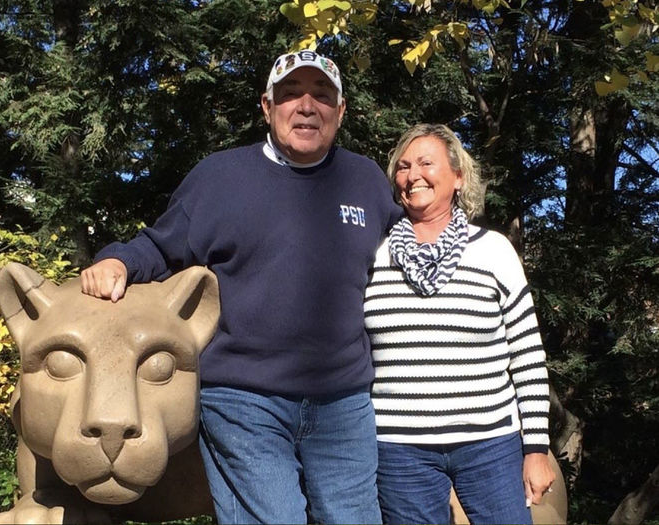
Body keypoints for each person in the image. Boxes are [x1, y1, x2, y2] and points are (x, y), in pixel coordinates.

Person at [80, 50, 402, 524]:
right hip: (243, 399)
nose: (306, 106)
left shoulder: (366, 180)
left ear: (341, 110)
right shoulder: (218, 178)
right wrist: (117, 260)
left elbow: (410, 246)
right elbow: (162, 245)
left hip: (343, 400)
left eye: (321, 96)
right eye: (290, 94)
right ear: (267, 108)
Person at [364, 123, 556, 524]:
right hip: (398, 451)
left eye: (425, 163)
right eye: (402, 167)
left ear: (458, 177)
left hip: (490, 444)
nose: (412, 174)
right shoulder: (374, 255)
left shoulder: (494, 251)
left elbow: (527, 354)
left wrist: (536, 449)